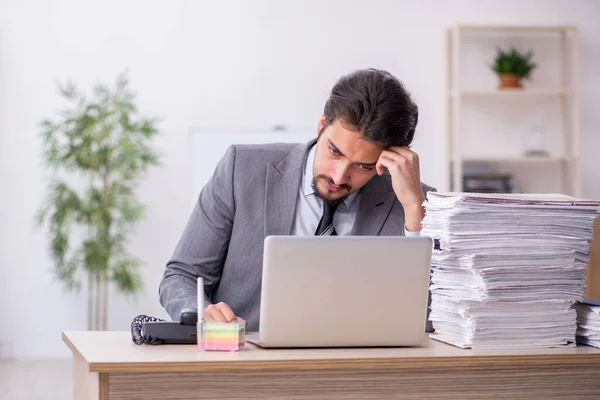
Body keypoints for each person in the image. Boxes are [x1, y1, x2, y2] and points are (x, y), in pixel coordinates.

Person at [159, 68, 435, 331]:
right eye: (334, 151)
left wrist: (415, 211)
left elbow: (434, 317)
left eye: (363, 166)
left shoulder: (415, 202)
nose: (339, 176)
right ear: (321, 126)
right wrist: (203, 313)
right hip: (247, 361)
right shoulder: (240, 170)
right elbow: (181, 276)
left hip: (358, 370)